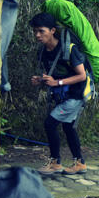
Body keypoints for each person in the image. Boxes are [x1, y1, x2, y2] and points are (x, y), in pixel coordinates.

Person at [30, 13, 87, 175]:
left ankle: (55, 163)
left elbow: (81, 75)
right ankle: (80, 163)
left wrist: (57, 83)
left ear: (53, 30)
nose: (37, 35)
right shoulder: (44, 52)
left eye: (41, 31)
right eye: (35, 31)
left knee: (50, 124)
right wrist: (40, 80)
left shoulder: (69, 49)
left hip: (76, 94)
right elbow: (52, 75)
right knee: (68, 127)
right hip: (63, 95)